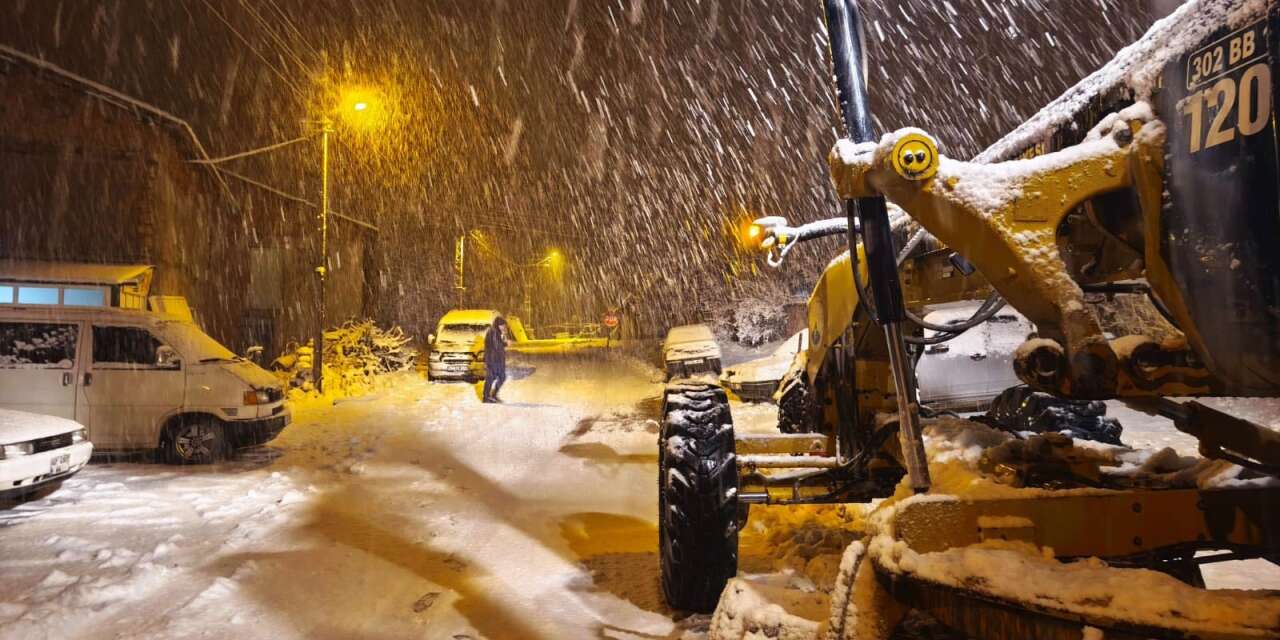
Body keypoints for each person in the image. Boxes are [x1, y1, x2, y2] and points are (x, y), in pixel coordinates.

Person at [482, 316, 509, 403]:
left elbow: (499, 345)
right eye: (502, 325)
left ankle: (493, 395)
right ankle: (486, 397)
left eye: (504, 325)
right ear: (498, 325)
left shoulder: (497, 332)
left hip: (497, 359)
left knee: (501, 377)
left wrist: (504, 341)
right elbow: (496, 346)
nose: (504, 327)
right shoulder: (492, 332)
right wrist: (504, 338)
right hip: (492, 359)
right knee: (490, 378)